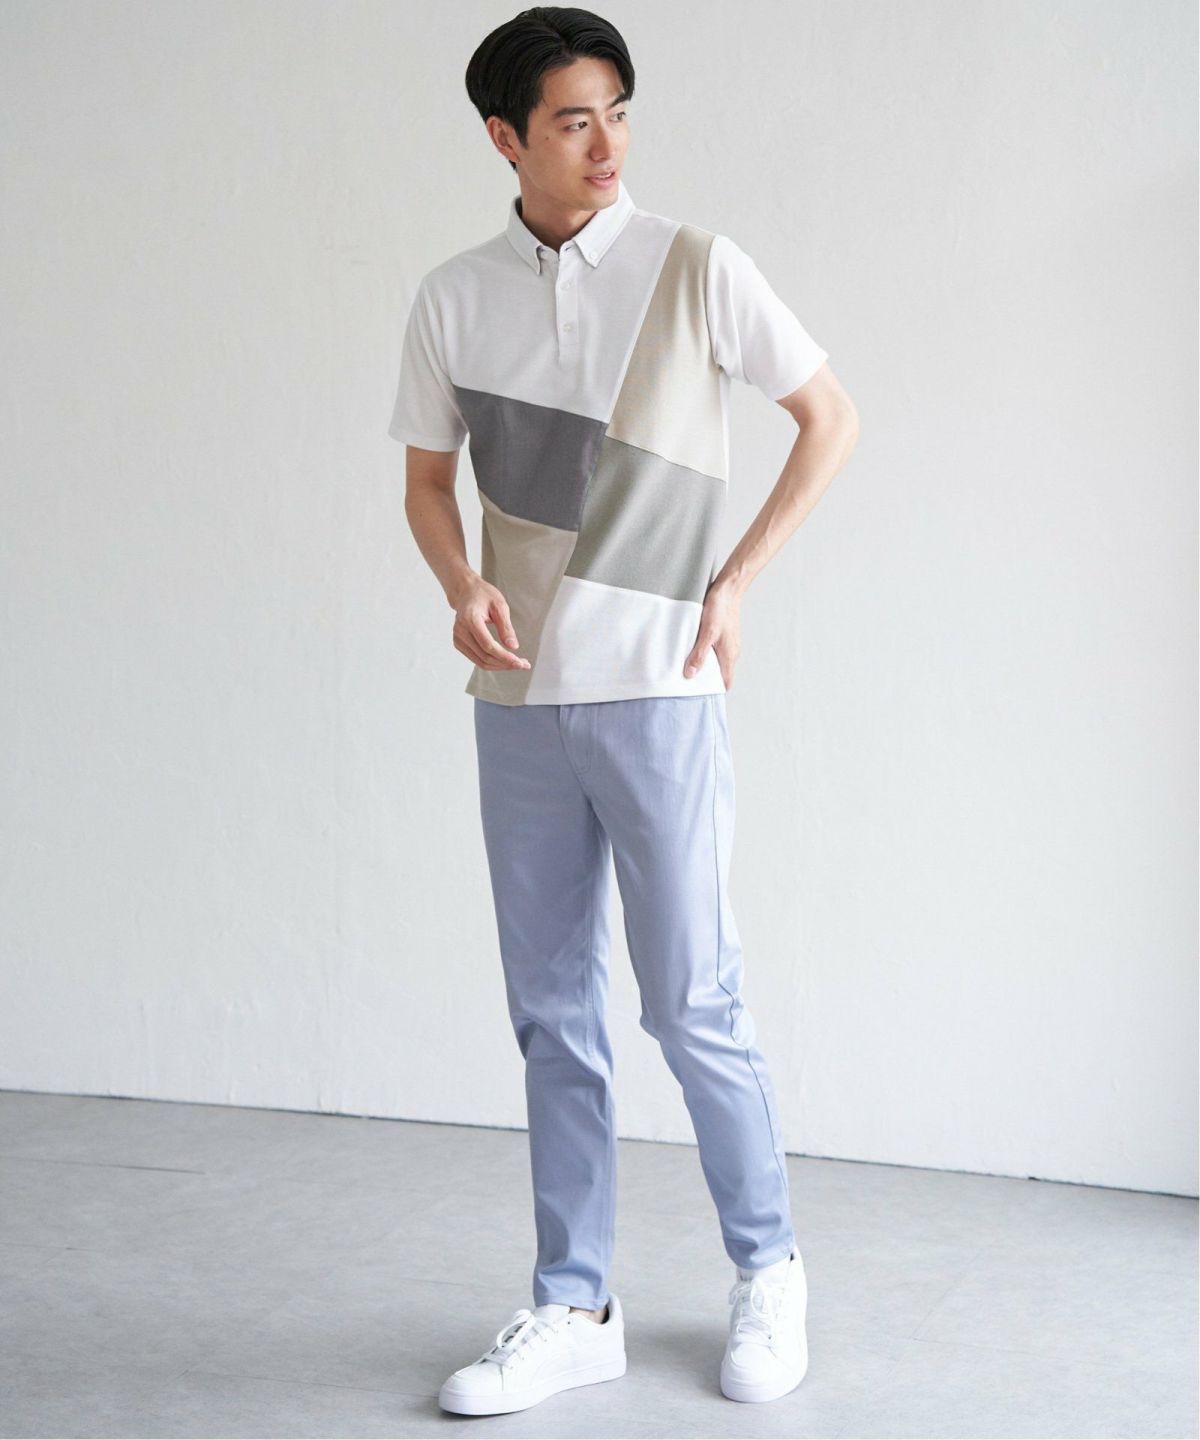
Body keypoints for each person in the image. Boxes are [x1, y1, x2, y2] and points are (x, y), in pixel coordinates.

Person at [388, 4, 859, 1417]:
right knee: (552, 1014)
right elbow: (427, 482)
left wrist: (735, 583)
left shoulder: (696, 267)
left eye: (618, 112)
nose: (608, 145)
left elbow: (829, 417)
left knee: (693, 1002)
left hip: (660, 689)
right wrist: (460, 581)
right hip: (519, 699)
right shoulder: (453, 296)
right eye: (573, 120)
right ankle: (574, 1302)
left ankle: (769, 1271)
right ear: (505, 137)